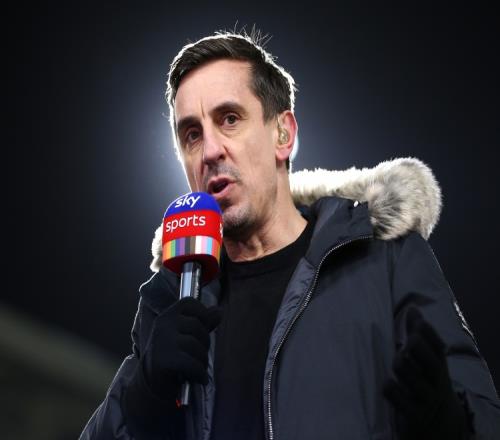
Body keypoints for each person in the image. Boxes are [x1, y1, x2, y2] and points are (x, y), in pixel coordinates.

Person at [80, 30, 500, 440]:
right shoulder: (170, 300)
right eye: (192, 134)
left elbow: (484, 418)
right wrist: (144, 397)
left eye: (230, 119)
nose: (209, 151)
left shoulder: (388, 261)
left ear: (283, 134)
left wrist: (447, 423)